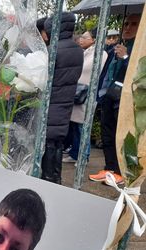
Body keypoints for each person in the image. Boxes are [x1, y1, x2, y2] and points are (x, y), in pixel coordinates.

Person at [89, 14, 140, 185]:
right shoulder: (115, 48)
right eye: (126, 23)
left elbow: (137, 74)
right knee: (107, 135)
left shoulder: (139, 49)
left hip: (124, 101)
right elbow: (105, 74)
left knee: (122, 137)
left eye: (133, 24)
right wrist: (99, 95)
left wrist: (126, 58)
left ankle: (121, 171)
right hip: (108, 97)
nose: (127, 27)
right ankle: (110, 169)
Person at [40, 13, 83, 184]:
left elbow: (45, 78)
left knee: (49, 141)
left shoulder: (54, 50)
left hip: (52, 102)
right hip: (65, 103)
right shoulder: (77, 49)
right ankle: (55, 177)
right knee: (57, 140)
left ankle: (49, 178)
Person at [63, 29, 108, 164]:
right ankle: (75, 153)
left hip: (87, 94)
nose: (81, 39)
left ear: (93, 39)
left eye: (85, 37)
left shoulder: (100, 53)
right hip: (78, 93)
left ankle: (84, 156)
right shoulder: (86, 52)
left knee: (83, 127)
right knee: (76, 126)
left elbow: (86, 68)